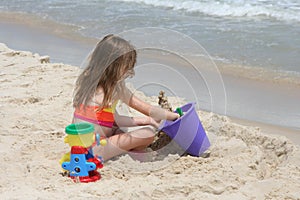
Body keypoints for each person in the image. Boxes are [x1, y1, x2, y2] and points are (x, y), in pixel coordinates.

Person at [72, 34, 179, 161]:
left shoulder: (88, 84)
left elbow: (112, 120)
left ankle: (127, 153)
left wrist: (148, 120)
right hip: (93, 150)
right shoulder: (114, 90)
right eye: (126, 66)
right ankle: (128, 153)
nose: (129, 70)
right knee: (148, 134)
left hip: (79, 147)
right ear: (113, 66)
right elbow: (147, 108)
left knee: (120, 131)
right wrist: (174, 116)